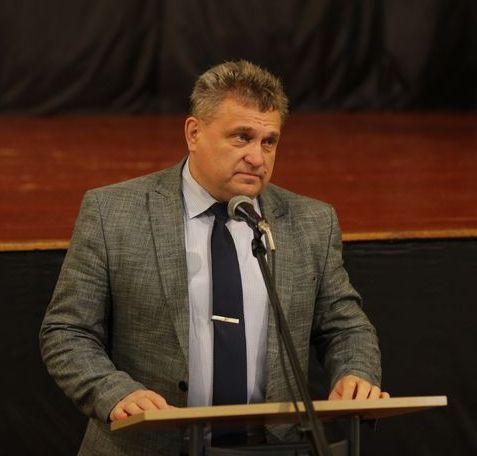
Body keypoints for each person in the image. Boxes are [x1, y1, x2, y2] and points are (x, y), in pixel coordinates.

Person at [40, 60, 388, 456]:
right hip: (145, 446)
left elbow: (345, 327)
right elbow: (67, 331)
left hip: (271, 448)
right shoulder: (113, 213)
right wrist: (113, 391)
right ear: (194, 133)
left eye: (269, 142)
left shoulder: (311, 222)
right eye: (242, 137)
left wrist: (356, 373)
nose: (257, 157)